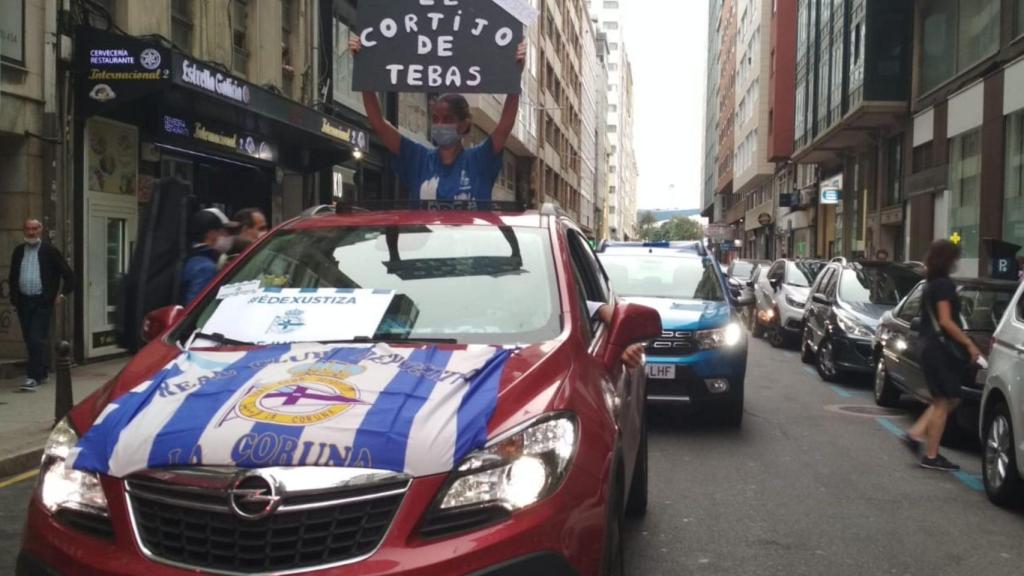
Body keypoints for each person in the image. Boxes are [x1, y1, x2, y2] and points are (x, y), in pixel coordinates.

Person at [349, 36, 526, 201]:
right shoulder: (418, 159)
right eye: (435, 119)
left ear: (464, 125)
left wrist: (515, 74)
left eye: (448, 119)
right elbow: (378, 123)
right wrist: (362, 68)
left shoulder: (479, 160)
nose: (440, 125)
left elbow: (504, 126)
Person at [903, 240, 980, 471]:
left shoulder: (929, 284)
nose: (957, 262)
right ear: (948, 260)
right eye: (955, 258)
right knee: (943, 401)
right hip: (939, 349)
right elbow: (946, 321)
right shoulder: (944, 285)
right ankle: (931, 455)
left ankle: (916, 434)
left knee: (948, 399)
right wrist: (969, 343)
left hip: (927, 345)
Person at [7, 219, 75, 392]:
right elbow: (13, 275)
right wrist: (14, 298)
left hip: (42, 302)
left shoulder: (49, 251)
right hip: (23, 302)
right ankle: (43, 370)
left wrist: (61, 294)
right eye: (28, 229)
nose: (31, 232)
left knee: (36, 338)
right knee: (30, 338)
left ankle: (33, 377)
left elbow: (69, 275)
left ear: (41, 230)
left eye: (35, 229)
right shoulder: (18, 251)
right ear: (24, 230)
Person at [181, 208, 238, 305]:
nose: (228, 236)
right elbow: (196, 309)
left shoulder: (191, 259)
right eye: (225, 231)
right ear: (211, 234)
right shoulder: (206, 268)